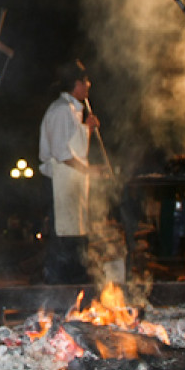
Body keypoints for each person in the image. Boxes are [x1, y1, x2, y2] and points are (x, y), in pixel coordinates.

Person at [38, 59, 106, 284]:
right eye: (86, 81)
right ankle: (56, 287)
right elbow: (61, 153)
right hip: (60, 182)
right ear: (76, 84)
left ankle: (75, 284)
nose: (89, 85)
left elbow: (73, 145)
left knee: (76, 235)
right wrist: (88, 170)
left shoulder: (73, 111)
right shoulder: (60, 111)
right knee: (63, 239)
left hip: (71, 183)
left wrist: (87, 127)